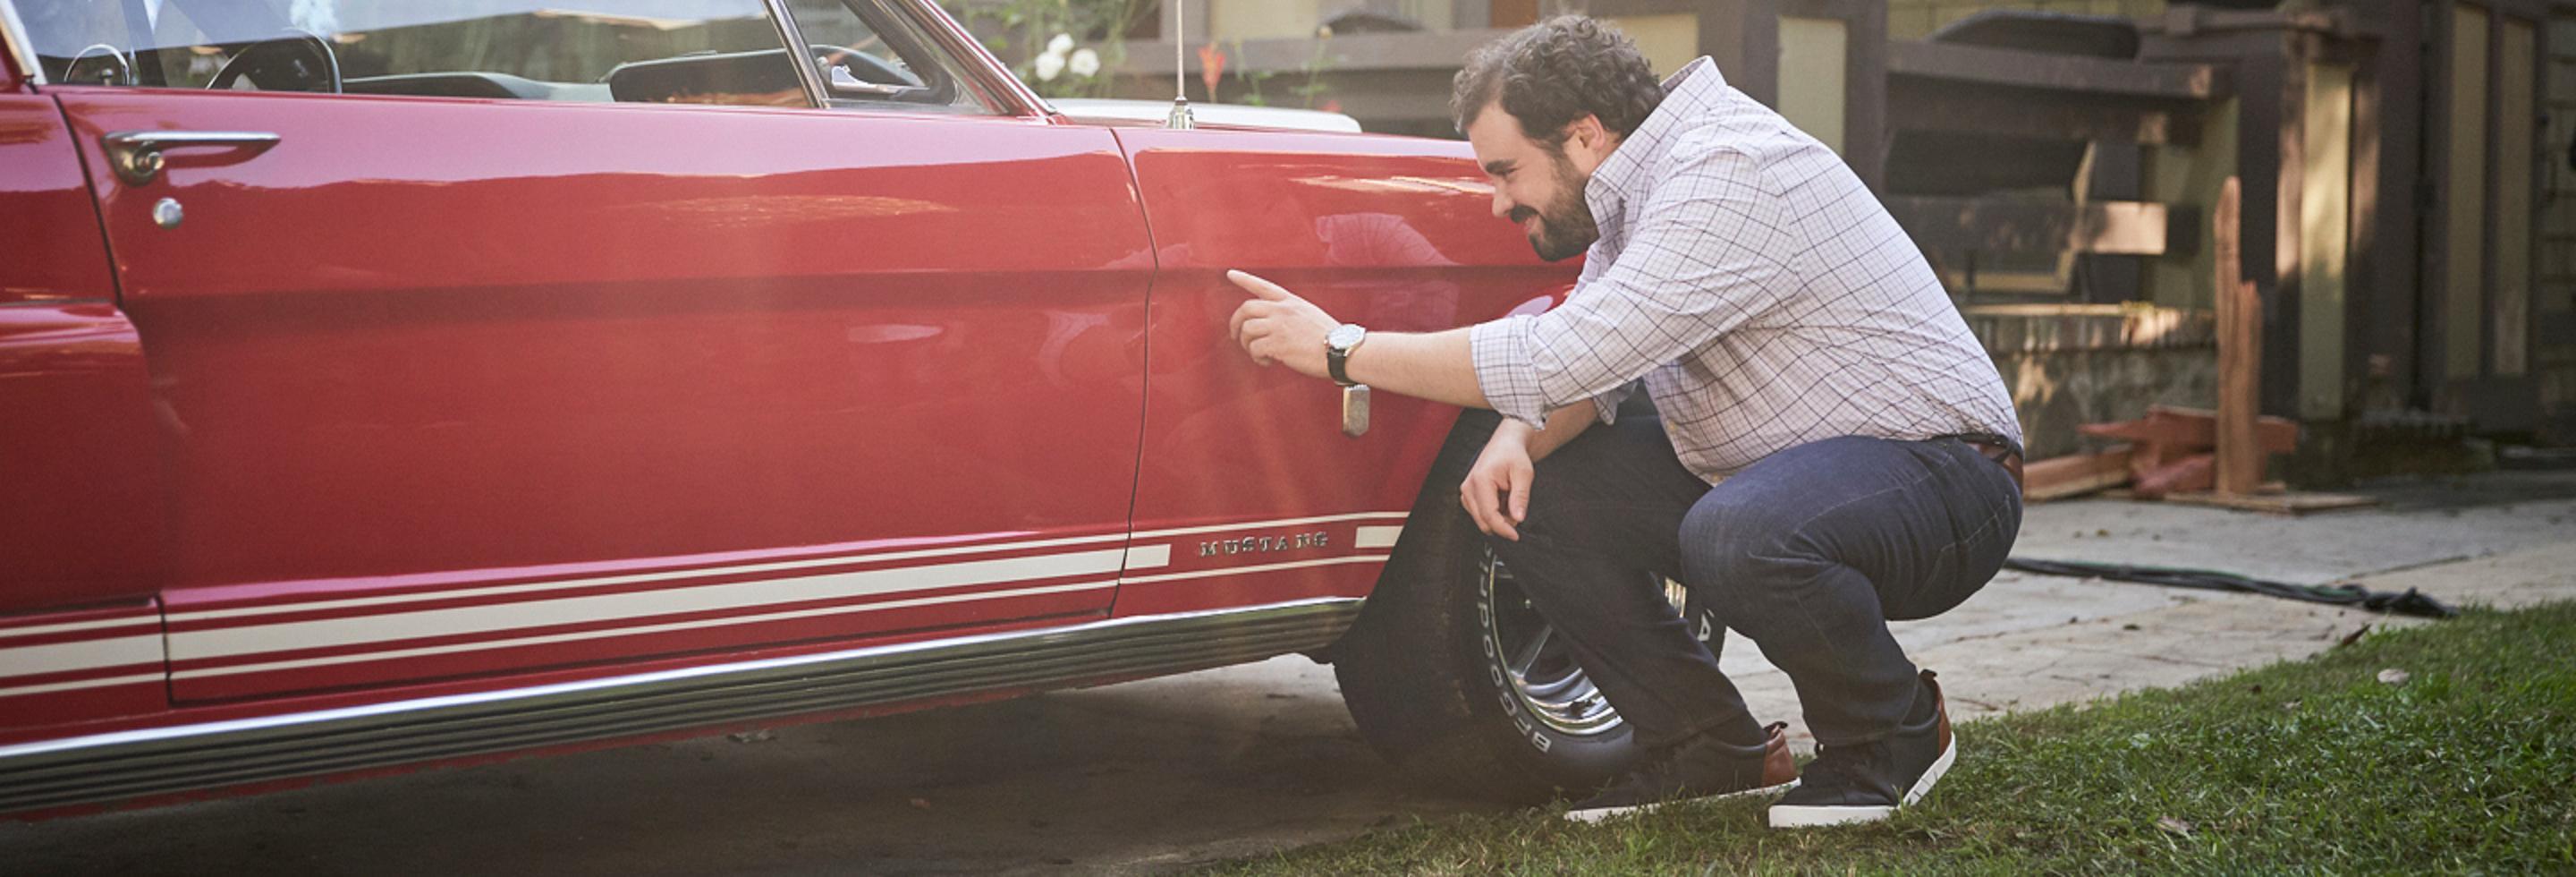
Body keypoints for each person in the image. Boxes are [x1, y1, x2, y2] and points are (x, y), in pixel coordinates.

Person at [1224, 15, 2025, 827]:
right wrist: (1513, 439)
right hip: (1789, 476)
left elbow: (1557, 355)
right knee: (1533, 499)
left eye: (1506, 171)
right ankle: (1708, 748)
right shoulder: (1638, 187)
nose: (1499, 201)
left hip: (1946, 481)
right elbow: (1595, 368)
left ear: (1584, 136)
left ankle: (1893, 733)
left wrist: (1340, 348)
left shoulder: (1723, 170)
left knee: (1738, 529)